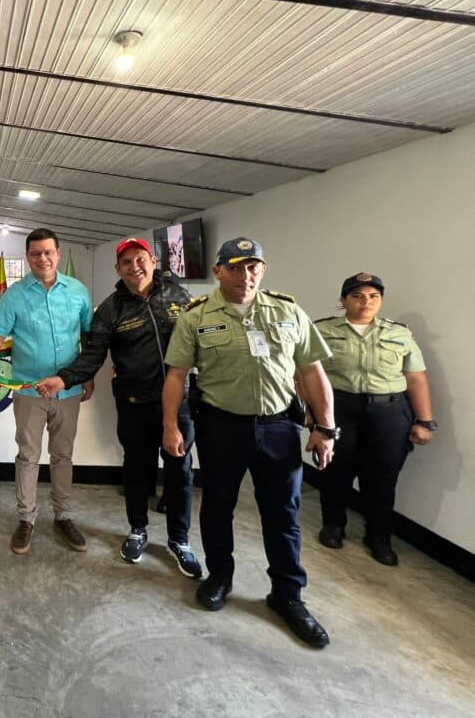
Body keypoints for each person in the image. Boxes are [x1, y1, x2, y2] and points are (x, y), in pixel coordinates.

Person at [162, 237, 336, 648]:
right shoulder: (195, 318)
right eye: (236, 267)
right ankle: (220, 575)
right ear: (219, 271)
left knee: (283, 514)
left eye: (253, 267)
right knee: (218, 506)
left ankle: (288, 595)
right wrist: (170, 426)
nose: (246, 276)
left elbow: (311, 372)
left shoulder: (288, 312)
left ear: (263, 269)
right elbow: (176, 376)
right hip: (221, 427)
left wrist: (326, 428)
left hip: (279, 428)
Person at [38, 237, 202, 577]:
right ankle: (138, 530)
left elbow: (204, 343)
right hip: (134, 405)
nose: (135, 267)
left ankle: (179, 540)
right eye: (126, 262)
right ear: (118, 269)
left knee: (179, 472)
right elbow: (92, 354)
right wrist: (64, 379)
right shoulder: (110, 309)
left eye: (140, 259)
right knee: (137, 471)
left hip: (180, 404)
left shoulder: (180, 297)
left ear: (153, 261)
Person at [0, 228, 94, 555]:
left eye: (48, 252)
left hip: (68, 392)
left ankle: (63, 516)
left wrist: (87, 375)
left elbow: (88, 338)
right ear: (28, 257)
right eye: (36, 253)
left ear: (58, 252)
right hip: (28, 391)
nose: (43, 258)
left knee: (63, 455)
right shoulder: (15, 295)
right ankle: (26, 519)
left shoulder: (79, 292)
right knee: (28, 455)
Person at [314, 272, 436, 566]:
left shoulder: (399, 333)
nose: (365, 302)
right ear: (343, 301)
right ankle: (334, 525)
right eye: (357, 296)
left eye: (373, 296)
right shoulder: (322, 330)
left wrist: (425, 420)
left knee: (382, 477)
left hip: (389, 412)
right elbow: (307, 375)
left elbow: (416, 377)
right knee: (335, 471)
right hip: (340, 408)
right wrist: (313, 416)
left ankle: (378, 536)